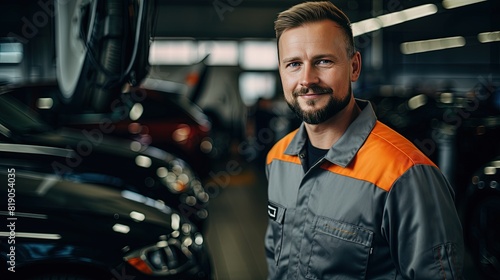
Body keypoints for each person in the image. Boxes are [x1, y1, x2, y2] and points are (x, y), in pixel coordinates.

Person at [264, 1, 465, 279]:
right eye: (294, 64)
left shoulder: (406, 175)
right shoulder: (277, 158)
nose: (307, 79)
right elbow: (276, 257)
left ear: (354, 66)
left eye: (323, 61)